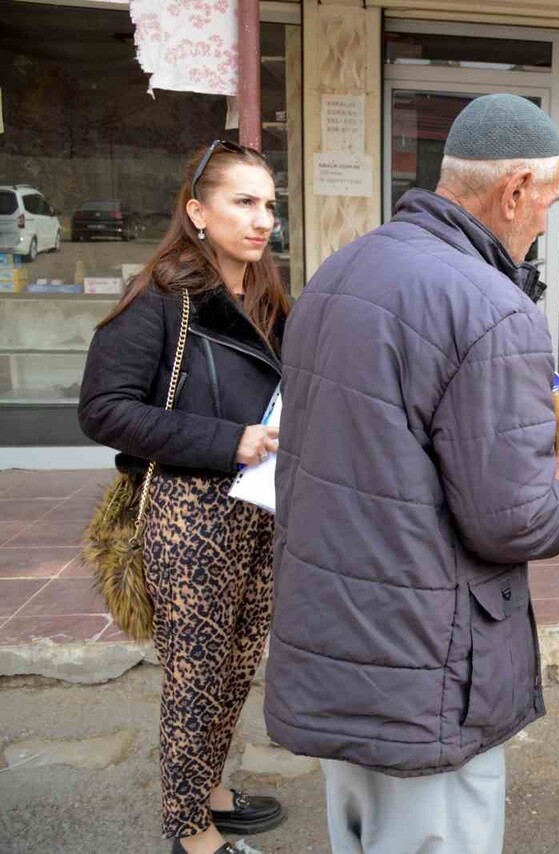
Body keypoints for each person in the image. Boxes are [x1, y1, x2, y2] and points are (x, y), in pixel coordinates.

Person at [264, 94, 559, 854]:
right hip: (426, 660)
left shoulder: (340, 271)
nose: (545, 221)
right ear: (513, 191)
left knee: (362, 835)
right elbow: (510, 519)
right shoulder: (493, 309)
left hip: (344, 637)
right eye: (548, 200)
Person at [79, 140, 290, 854]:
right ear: (198, 212)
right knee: (195, 675)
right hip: (189, 512)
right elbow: (104, 409)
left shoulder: (263, 294)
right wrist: (226, 439)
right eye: (244, 202)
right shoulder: (163, 295)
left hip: (256, 508)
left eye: (268, 205)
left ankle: (210, 788)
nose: (262, 220)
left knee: (235, 664)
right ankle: (188, 829)